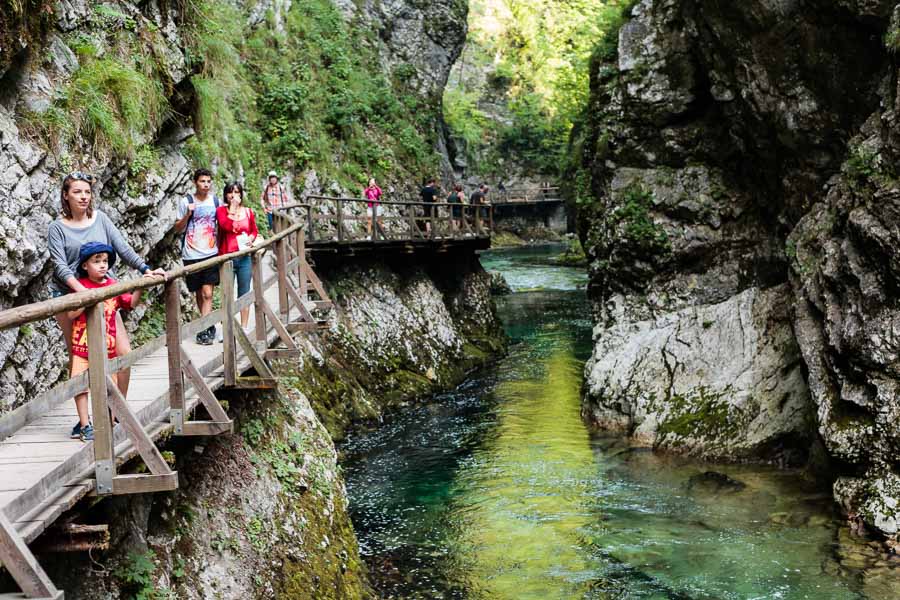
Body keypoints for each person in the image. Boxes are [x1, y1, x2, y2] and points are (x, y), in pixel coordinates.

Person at [48, 172, 165, 406]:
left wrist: (145, 269)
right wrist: (82, 291)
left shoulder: (100, 219)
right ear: (65, 195)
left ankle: (117, 410)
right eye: (77, 192)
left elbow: (122, 247)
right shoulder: (57, 228)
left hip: (103, 292)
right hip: (70, 296)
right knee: (79, 355)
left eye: (87, 192)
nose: (83, 197)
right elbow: (60, 265)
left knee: (123, 353)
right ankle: (85, 422)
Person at [66, 243, 143, 441]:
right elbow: (71, 313)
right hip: (82, 347)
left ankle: (109, 421)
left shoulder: (112, 286)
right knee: (79, 386)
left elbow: (130, 304)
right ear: (85, 266)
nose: (102, 265)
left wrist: (140, 287)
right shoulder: (79, 287)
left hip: (107, 348)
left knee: (111, 386)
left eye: (105, 261)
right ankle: (85, 425)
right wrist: (87, 299)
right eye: (96, 261)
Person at [174, 168, 220, 345]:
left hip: (210, 252)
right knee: (199, 293)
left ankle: (204, 330)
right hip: (191, 253)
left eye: (208, 181)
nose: (206, 185)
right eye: (202, 181)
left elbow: (220, 224)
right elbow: (177, 228)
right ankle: (207, 324)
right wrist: (188, 214)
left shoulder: (215, 201)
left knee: (208, 293)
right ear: (195, 182)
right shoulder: (186, 201)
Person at [216, 181, 259, 329]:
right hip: (227, 258)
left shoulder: (248, 212)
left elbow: (254, 231)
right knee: (227, 294)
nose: (233, 195)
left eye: (236, 191)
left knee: (244, 292)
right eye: (230, 192)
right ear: (226, 194)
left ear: (241, 193)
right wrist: (233, 208)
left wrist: (251, 239)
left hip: (244, 257)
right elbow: (225, 226)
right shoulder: (221, 211)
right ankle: (226, 329)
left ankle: (244, 327)